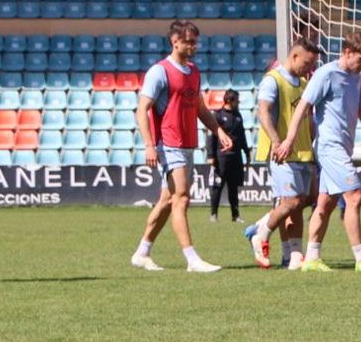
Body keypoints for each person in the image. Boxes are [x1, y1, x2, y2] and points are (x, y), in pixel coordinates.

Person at [131, 20, 236, 273]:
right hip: (169, 143)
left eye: (195, 41)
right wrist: (149, 145)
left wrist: (218, 130)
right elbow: (142, 110)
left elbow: (200, 109)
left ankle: (142, 252)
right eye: (188, 41)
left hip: (188, 143)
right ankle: (192, 259)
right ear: (174, 41)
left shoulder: (194, 72)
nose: (193, 46)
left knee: (167, 200)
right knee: (182, 198)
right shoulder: (160, 71)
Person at [275, 30, 361, 274]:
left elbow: (360, 109)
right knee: (354, 196)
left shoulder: (357, 77)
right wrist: (289, 140)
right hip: (329, 147)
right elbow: (303, 106)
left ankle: (312, 257)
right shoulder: (326, 74)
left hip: (344, 146)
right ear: (347, 52)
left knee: (324, 204)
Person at [247, 38, 321, 269]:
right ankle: (261, 232)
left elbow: (307, 117)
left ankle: (294, 255)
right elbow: (264, 112)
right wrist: (277, 142)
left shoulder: (302, 83)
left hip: (303, 151)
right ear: (294, 56)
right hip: (282, 153)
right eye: (307, 63)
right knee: (291, 201)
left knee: (298, 204)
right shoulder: (273, 80)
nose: (309, 69)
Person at [207, 90, 248, 223]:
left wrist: (246, 152)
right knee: (217, 185)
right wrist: (211, 155)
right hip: (221, 157)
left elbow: (242, 136)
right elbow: (212, 136)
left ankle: (235, 216)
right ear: (230, 100)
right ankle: (213, 214)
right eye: (237, 99)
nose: (239, 102)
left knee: (233, 187)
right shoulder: (217, 115)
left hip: (236, 157)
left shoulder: (238, 115)